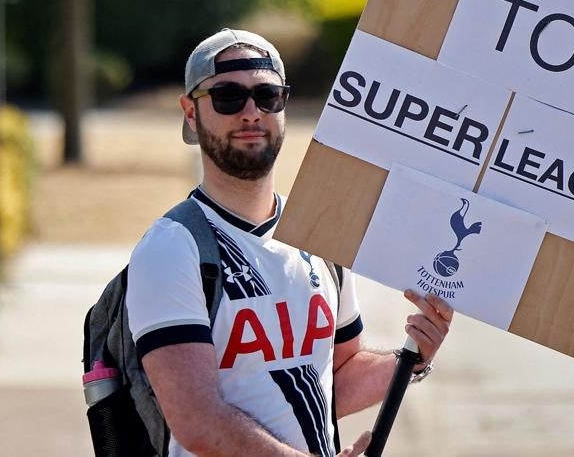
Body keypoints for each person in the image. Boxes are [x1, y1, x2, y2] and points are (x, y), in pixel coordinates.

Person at [126, 28, 454, 456]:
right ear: (190, 112)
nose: (250, 113)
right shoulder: (172, 248)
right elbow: (198, 421)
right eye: (227, 97)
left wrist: (413, 356)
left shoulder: (317, 236)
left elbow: (337, 377)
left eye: (267, 96)